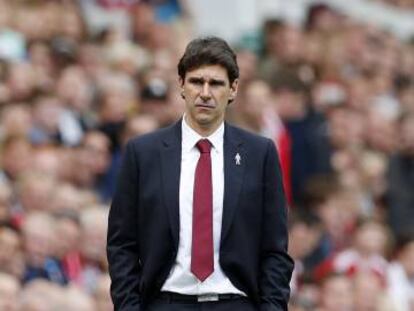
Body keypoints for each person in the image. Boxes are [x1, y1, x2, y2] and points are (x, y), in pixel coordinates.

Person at [107, 36, 294, 311]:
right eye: (196, 81)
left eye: (216, 83)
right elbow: (122, 243)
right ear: (181, 85)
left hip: (236, 302)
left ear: (233, 89)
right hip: (165, 302)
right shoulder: (143, 152)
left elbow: (275, 248)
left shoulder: (260, 153)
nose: (205, 93)